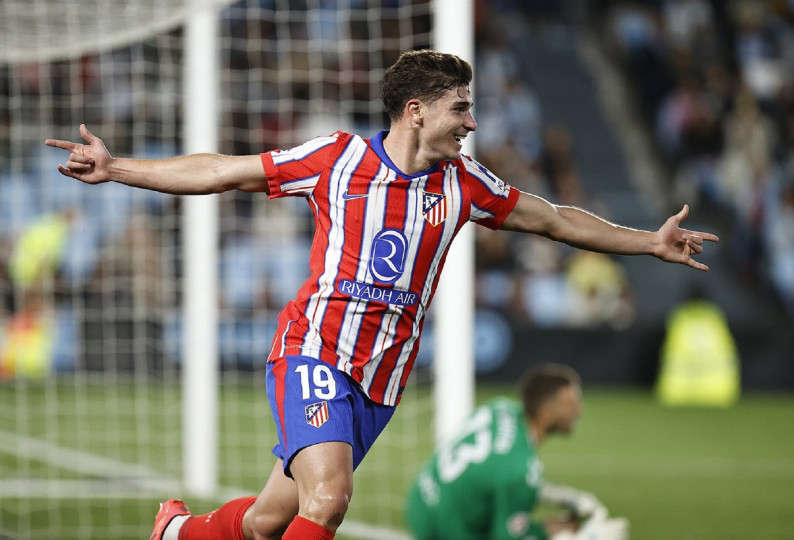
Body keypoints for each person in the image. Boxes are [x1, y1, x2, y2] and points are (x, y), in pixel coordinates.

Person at [44, 49, 717, 540]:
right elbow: (223, 170)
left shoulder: (466, 183)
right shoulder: (337, 159)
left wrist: (647, 241)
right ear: (416, 110)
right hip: (313, 351)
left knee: (265, 524)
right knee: (331, 498)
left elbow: (556, 219)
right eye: (461, 109)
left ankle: (176, 533)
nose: (471, 124)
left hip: (378, 383)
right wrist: (119, 168)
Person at [405, 363, 628, 540]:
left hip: (421, 499)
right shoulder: (520, 470)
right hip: (447, 531)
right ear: (546, 413)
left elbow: (489, 472)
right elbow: (508, 537)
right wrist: (581, 536)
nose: (579, 411)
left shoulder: (499, 407)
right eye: (571, 404)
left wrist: (548, 493)